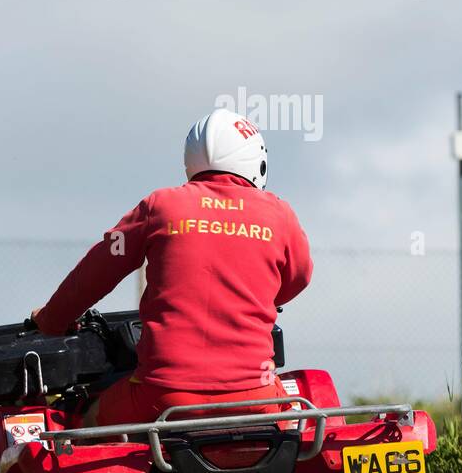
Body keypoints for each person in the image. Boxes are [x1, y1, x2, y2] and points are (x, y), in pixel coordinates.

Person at [32, 108, 313, 426]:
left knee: (83, 421)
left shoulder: (160, 206)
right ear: (257, 162)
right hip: (255, 397)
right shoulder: (278, 215)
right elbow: (299, 277)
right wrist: (260, 295)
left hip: (162, 398)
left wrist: (51, 320)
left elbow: (95, 272)